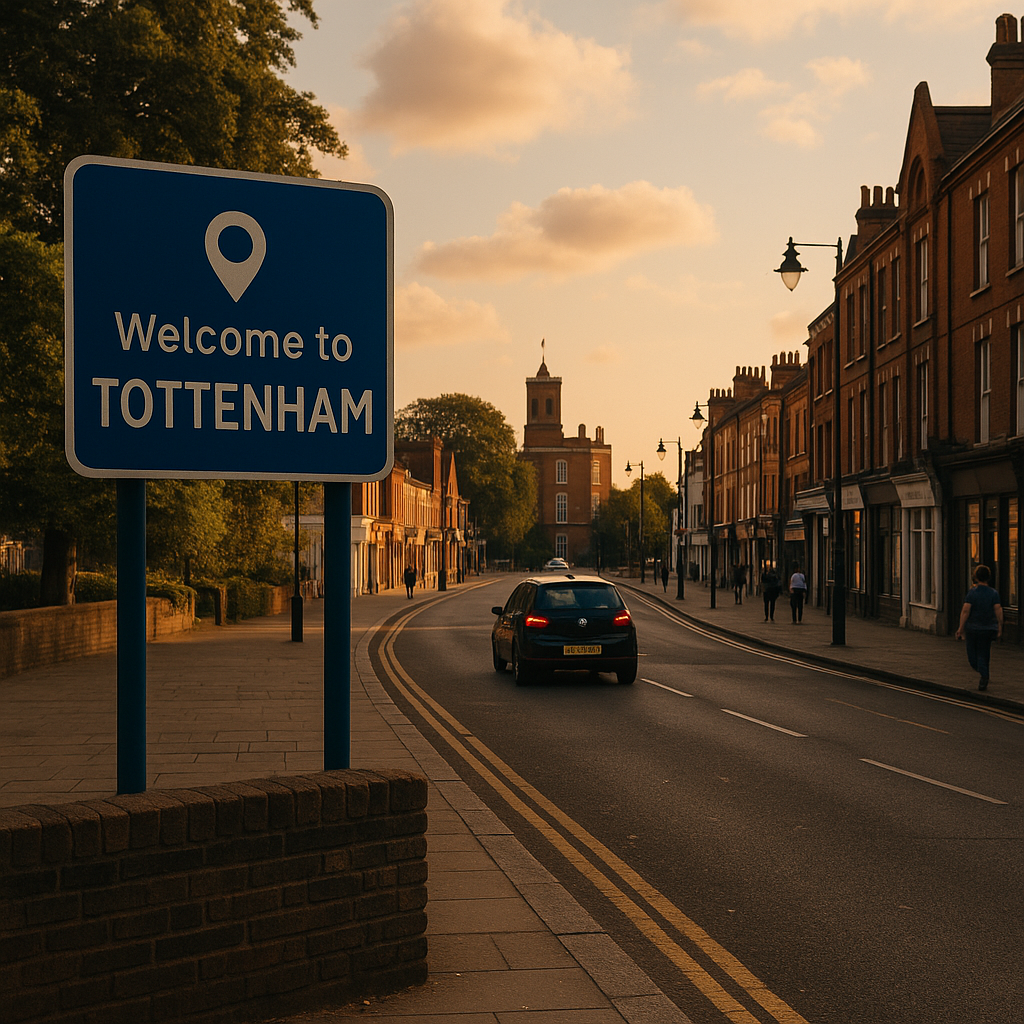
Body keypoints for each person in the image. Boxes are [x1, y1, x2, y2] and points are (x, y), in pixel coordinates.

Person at [954, 564, 1003, 690]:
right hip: (988, 628)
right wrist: (999, 626)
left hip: (973, 628)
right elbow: (998, 610)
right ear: (989, 577)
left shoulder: (972, 593)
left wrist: (961, 628)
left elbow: (966, 611)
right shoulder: (993, 593)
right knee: (984, 653)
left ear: (976, 577)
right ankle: (984, 674)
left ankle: (984, 674)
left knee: (972, 656)